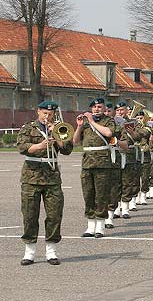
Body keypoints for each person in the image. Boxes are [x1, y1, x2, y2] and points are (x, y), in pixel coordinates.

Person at [17, 100, 73, 265]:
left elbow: (67, 150)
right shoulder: (28, 128)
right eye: (44, 113)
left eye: (50, 114)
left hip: (52, 178)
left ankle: (51, 251)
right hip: (31, 177)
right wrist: (41, 145)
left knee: (54, 215)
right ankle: (29, 252)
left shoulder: (58, 127)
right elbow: (22, 147)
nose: (47, 116)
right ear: (38, 112)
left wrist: (56, 134)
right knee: (29, 215)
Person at [73, 98, 116, 238]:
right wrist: (79, 126)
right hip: (87, 163)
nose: (97, 109)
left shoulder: (108, 120)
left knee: (101, 195)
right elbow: (75, 141)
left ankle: (100, 226)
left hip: (102, 162)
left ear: (104, 108)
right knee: (88, 194)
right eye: (95, 107)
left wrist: (91, 121)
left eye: (99, 107)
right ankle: (90, 226)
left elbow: (109, 133)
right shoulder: (84, 123)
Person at [104, 102, 121, 229]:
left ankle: (110, 215)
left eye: (109, 111)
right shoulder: (94, 125)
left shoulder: (118, 125)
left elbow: (125, 141)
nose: (106, 113)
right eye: (105, 111)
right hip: (97, 160)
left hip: (113, 159)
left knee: (113, 188)